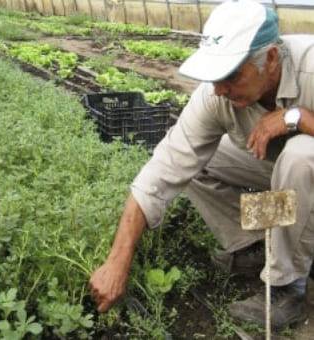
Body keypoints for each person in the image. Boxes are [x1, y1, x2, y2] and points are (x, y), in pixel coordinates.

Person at [89, 0, 314, 330]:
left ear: (269, 58)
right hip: (286, 177)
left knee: (300, 155)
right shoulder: (217, 95)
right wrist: (118, 260)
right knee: (197, 162)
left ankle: (286, 289)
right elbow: (164, 167)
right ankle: (255, 246)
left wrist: (298, 118)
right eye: (215, 76)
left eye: (231, 76)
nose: (220, 89)